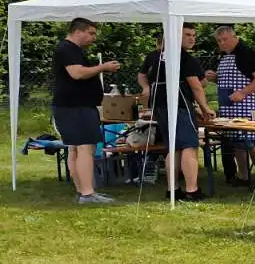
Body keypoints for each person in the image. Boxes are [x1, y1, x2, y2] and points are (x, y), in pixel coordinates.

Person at [137, 24, 212, 201]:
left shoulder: (159, 56)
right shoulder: (184, 58)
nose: (192, 38)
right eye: (187, 35)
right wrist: (205, 108)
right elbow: (196, 87)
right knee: (189, 146)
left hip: (161, 106)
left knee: (173, 147)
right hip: (179, 105)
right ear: (175, 36)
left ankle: (173, 189)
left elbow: (145, 76)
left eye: (194, 35)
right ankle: (192, 190)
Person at [51, 18, 120, 204]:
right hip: (75, 107)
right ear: (77, 31)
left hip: (75, 106)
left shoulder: (74, 50)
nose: (93, 38)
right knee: (85, 148)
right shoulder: (66, 49)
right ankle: (88, 194)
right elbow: (77, 73)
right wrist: (103, 68)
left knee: (75, 148)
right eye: (91, 33)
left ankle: (83, 191)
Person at [212, 25, 255, 186]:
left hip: (247, 105)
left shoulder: (245, 53)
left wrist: (243, 92)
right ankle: (243, 176)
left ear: (234, 38)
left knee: (250, 141)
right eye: (219, 41)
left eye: (225, 39)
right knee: (237, 142)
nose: (222, 43)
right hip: (230, 106)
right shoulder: (225, 56)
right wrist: (215, 77)